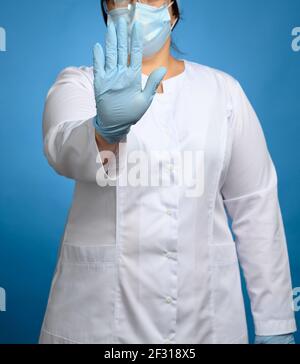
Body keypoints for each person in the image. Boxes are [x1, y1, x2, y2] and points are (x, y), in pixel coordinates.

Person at [38, 0, 297, 344]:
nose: (136, 7)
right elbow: (61, 148)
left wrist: (276, 322)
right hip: (100, 320)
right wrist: (105, 130)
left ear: (173, 13)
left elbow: (255, 205)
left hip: (205, 320)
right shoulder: (81, 84)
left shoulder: (224, 93)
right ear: (107, 8)